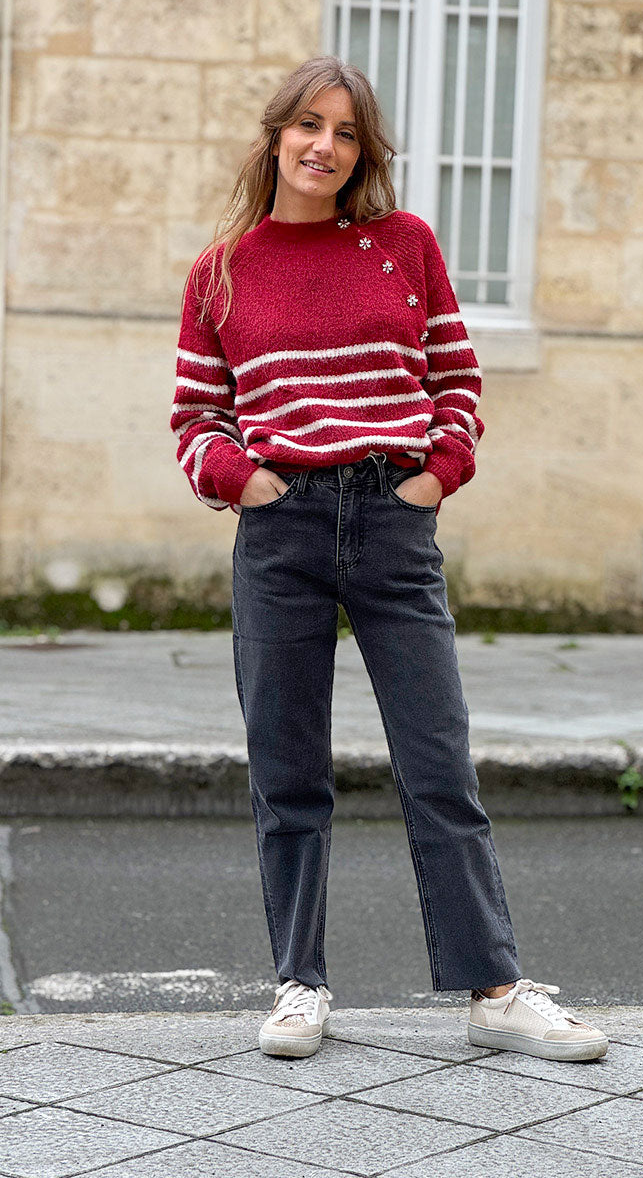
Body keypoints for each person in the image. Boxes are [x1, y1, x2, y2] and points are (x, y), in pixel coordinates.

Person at [170, 55, 608, 1064]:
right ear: (275, 134)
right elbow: (196, 415)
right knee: (287, 770)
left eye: (347, 132)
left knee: (436, 761)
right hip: (280, 529)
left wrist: (437, 471)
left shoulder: (401, 246)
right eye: (309, 126)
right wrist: (243, 482)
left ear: (364, 151)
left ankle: (493, 988)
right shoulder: (222, 269)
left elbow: (455, 377)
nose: (325, 146)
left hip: (390, 519)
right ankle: (298, 984)